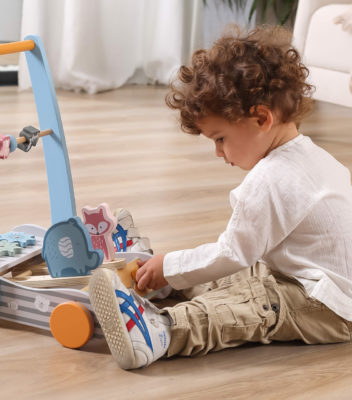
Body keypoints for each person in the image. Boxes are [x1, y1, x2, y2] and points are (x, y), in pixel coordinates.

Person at [89, 25, 352, 370]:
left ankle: (161, 331)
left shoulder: (270, 179)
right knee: (251, 274)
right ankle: (163, 286)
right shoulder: (311, 155)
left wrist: (170, 264)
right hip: (317, 282)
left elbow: (232, 252)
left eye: (220, 138)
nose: (218, 152)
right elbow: (244, 255)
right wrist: (172, 269)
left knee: (257, 302)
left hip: (331, 306)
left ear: (261, 118)